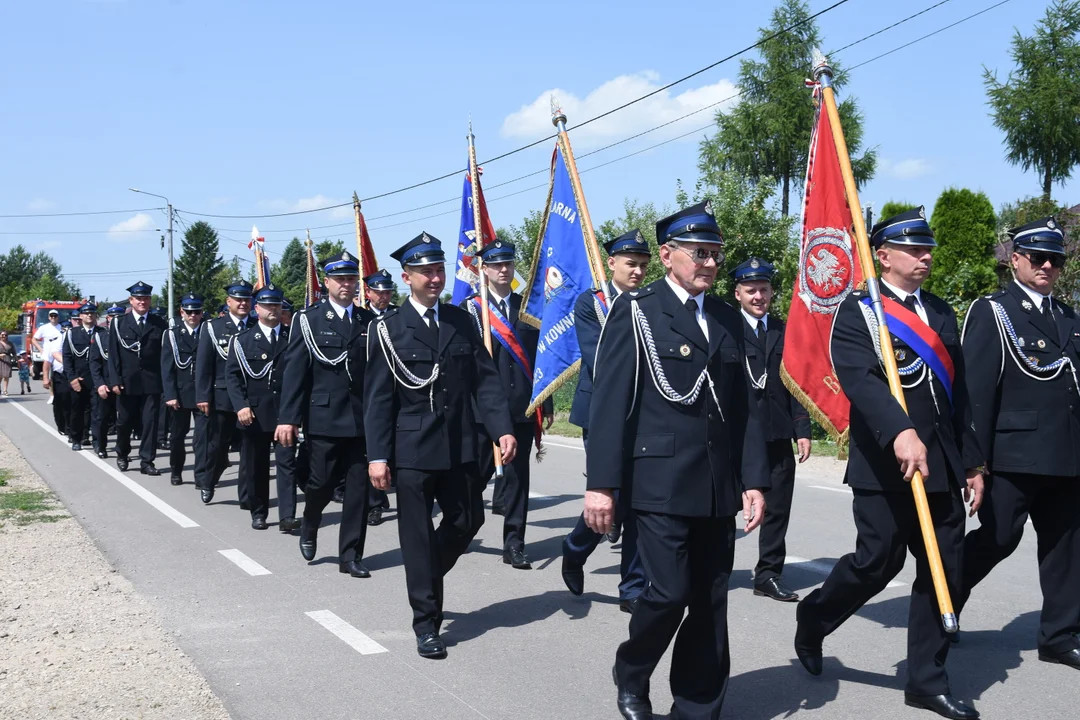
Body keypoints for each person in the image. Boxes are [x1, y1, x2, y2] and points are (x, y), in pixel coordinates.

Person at [794, 208, 985, 720]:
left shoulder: (942, 312)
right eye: (913, 250)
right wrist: (900, 431)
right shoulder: (858, 310)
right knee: (877, 563)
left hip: (940, 464)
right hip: (884, 462)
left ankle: (926, 679)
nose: (924, 258)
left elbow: (958, 396)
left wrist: (972, 464)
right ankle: (814, 617)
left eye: (928, 250)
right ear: (883, 255)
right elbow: (859, 378)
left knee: (943, 567)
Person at [585, 202, 769, 720]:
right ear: (668, 256)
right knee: (667, 593)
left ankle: (696, 706)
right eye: (699, 253)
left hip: (715, 486)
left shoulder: (730, 319)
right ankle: (633, 668)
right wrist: (601, 484)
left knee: (711, 601)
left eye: (715, 254)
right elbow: (610, 402)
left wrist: (753, 479)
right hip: (659, 479)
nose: (710, 263)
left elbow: (745, 409)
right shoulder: (639, 310)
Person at [365, 232, 515, 659]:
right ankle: (426, 622)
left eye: (439, 269)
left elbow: (484, 380)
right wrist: (377, 456)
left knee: (468, 519)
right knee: (415, 535)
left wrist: (500, 428)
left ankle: (425, 575)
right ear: (406, 276)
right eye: (425, 271)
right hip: (412, 448)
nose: (435, 278)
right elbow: (377, 400)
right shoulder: (387, 330)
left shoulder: (460, 320)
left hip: (460, 442)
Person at [959, 216, 1080, 671]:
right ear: (1016, 259)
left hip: (1066, 455)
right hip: (1012, 456)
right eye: (1038, 257)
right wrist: (974, 462)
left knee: (1067, 548)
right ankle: (944, 602)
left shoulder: (1069, 317)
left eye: (1057, 259)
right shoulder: (994, 310)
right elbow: (975, 391)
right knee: (997, 538)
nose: (1048, 266)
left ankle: (1059, 635)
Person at [561, 229, 651, 612]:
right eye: (631, 264)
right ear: (611, 262)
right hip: (600, 410)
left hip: (644, 413)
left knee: (639, 500)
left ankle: (632, 587)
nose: (637, 272)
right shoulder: (591, 304)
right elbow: (598, 359)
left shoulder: (649, 302)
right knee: (610, 496)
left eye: (644, 266)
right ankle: (575, 547)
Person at [276, 252, 376, 575]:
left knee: (359, 488)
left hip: (361, 420)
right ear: (327, 283)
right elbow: (295, 374)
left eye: (351, 279)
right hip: (324, 419)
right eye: (340, 279)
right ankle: (310, 521)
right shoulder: (309, 320)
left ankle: (350, 555)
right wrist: (288, 418)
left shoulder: (368, 322)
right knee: (320, 482)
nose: (346, 285)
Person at [463, 239, 552, 569]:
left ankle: (514, 542)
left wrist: (547, 400)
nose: (503, 270)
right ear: (483, 269)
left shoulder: (527, 310)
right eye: (496, 265)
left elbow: (542, 360)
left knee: (517, 480)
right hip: (482, 414)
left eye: (508, 264)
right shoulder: (471, 311)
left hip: (519, 409)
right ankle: (463, 525)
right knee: (474, 478)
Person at [730, 257, 813, 603]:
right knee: (724, 508)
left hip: (777, 433)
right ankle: (710, 569)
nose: (759, 296)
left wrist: (802, 428)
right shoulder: (725, 328)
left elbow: (797, 383)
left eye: (764, 289)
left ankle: (768, 574)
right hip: (735, 436)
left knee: (778, 509)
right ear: (738, 293)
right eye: (751, 290)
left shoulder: (784, 331)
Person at [228, 285, 292, 531]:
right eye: (267, 305)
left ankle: (287, 515)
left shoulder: (292, 337)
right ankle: (259, 511)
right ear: (257, 309)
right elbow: (233, 377)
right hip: (254, 414)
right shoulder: (243, 341)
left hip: (285, 413)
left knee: (287, 465)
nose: (273, 309)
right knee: (257, 466)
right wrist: (241, 406)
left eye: (276, 305)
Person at [195, 280, 253, 504]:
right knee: (218, 448)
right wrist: (202, 396)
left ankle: (246, 496)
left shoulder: (256, 326)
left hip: (250, 399)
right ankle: (208, 482)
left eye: (246, 299)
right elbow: (204, 364)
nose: (242, 303)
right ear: (228, 301)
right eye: (238, 299)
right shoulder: (213, 327)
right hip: (222, 399)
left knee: (248, 449)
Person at [107, 282, 168, 475]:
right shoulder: (119, 323)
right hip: (127, 382)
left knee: (150, 423)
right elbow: (114, 355)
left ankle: (147, 461)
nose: (143, 302)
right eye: (139, 298)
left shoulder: (159, 323)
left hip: (152, 381)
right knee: (124, 422)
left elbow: (164, 356)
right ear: (131, 301)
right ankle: (122, 453)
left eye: (146, 298)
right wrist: (115, 380)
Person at [363, 268, 398, 526]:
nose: (383, 296)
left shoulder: (398, 317)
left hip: (400, 392)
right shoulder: (362, 319)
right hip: (372, 393)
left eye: (387, 292)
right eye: (379, 292)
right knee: (375, 451)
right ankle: (375, 503)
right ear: (368, 293)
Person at [161, 294, 206, 486]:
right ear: (182, 312)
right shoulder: (172, 334)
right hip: (180, 394)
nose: (193, 315)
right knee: (178, 437)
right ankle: (176, 470)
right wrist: (170, 395)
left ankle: (201, 476)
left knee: (202, 438)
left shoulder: (207, 331)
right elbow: (167, 367)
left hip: (202, 393)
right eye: (189, 312)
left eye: (197, 311)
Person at [62, 302, 106, 453]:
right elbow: (67, 359)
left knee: (98, 413)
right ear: (80, 316)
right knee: (77, 412)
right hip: (79, 380)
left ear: (96, 316)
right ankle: (76, 438)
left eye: (92, 313)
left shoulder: (103, 333)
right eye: (86, 313)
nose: (89, 315)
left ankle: (98, 442)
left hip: (97, 380)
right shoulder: (72, 334)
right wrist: (72, 378)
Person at [43, 322, 72, 438]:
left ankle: (71, 427)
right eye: (65, 329)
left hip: (73, 375)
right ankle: (62, 425)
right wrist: (45, 378)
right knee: (61, 401)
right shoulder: (54, 342)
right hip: (60, 375)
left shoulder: (74, 340)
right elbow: (47, 362)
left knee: (73, 402)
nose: (66, 331)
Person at [33, 309, 62, 402]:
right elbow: (34, 339)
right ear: (49, 317)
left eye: (55, 316)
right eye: (51, 316)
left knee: (57, 374)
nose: (53, 317)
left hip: (59, 352)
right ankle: (52, 395)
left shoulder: (61, 327)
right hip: (48, 352)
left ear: (58, 317)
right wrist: (40, 349)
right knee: (48, 372)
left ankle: (58, 393)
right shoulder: (44, 327)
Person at [0, 330, 15, 396]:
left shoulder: (10, 343)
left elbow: (14, 353)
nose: (4, 336)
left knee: (6, 376)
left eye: (5, 335)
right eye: (2, 335)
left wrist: (17, 361)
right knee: (0, 376)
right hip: (0, 360)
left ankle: (5, 390)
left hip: (7, 360)